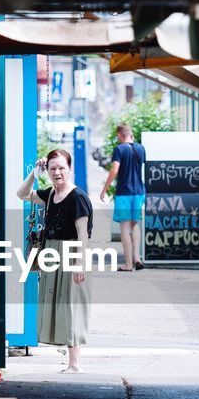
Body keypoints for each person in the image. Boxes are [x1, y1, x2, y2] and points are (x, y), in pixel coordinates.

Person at [15, 148, 94, 373]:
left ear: (69, 169)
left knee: (71, 307)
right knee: (58, 305)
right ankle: (71, 363)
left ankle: (75, 363)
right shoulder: (50, 194)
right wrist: (34, 172)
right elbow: (21, 194)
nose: (57, 172)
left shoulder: (77, 196)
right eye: (52, 168)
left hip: (71, 253)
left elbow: (83, 234)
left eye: (61, 168)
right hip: (52, 253)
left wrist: (80, 264)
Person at [99, 123, 146, 271]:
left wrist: (104, 189)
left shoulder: (119, 149)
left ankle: (128, 263)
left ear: (120, 135)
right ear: (131, 134)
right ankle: (137, 258)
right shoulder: (141, 148)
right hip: (139, 191)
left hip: (124, 192)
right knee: (135, 223)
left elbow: (115, 170)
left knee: (124, 226)